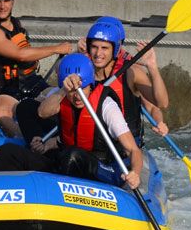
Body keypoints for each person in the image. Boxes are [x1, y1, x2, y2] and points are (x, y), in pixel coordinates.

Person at [0, 0, 72, 137]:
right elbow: (20, 55)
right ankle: (28, 140)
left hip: (34, 84)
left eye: (7, 1)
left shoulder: (16, 24)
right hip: (8, 90)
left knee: (62, 98)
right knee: (0, 112)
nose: (2, 6)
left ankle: (63, 136)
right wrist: (56, 48)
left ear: (13, 1)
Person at [36, 54, 145, 190]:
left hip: (104, 168)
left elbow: (133, 150)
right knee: (9, 153)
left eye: (83, 89)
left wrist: (135, 173)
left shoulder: (106, 106)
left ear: (91, 85)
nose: (77, 96)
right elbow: (42, 112)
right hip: (70, 161)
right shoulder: (61, 95)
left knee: (72, 156)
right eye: (72, 91)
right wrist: (64, 90)